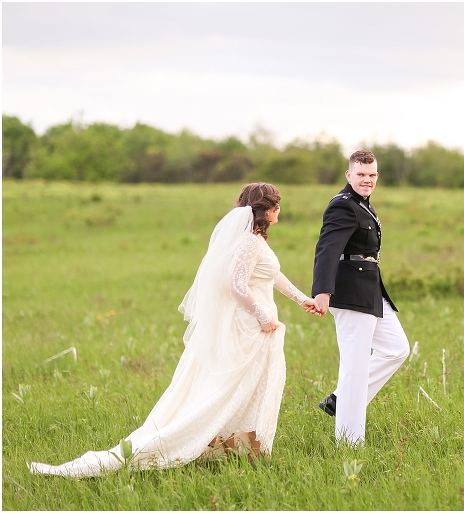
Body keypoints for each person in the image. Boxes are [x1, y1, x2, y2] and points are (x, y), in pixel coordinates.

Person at [29, 183, 320, 477]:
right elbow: (237, 286)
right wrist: (262, 315)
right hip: (248, 327)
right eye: (277, 205)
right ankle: (195, 440)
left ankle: (238, 445)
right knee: (226, 390)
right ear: (266, 209)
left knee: (250, 386)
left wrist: (301, 299)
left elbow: (273, 275)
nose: (279, 210)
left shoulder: (256, 240)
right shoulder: (249, 243)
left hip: (257, 326)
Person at [312, 150, 410, 446]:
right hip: (350, 293)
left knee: (396, 349)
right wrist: (322, 291)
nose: (367, 180)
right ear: (349, 175)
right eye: (361, 175)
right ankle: (349, 443)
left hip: (371, 291)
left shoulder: (362, 205)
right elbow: (327, 249)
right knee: (354, 367)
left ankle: (339, 399)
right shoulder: (342, 207)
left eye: (372, 175)